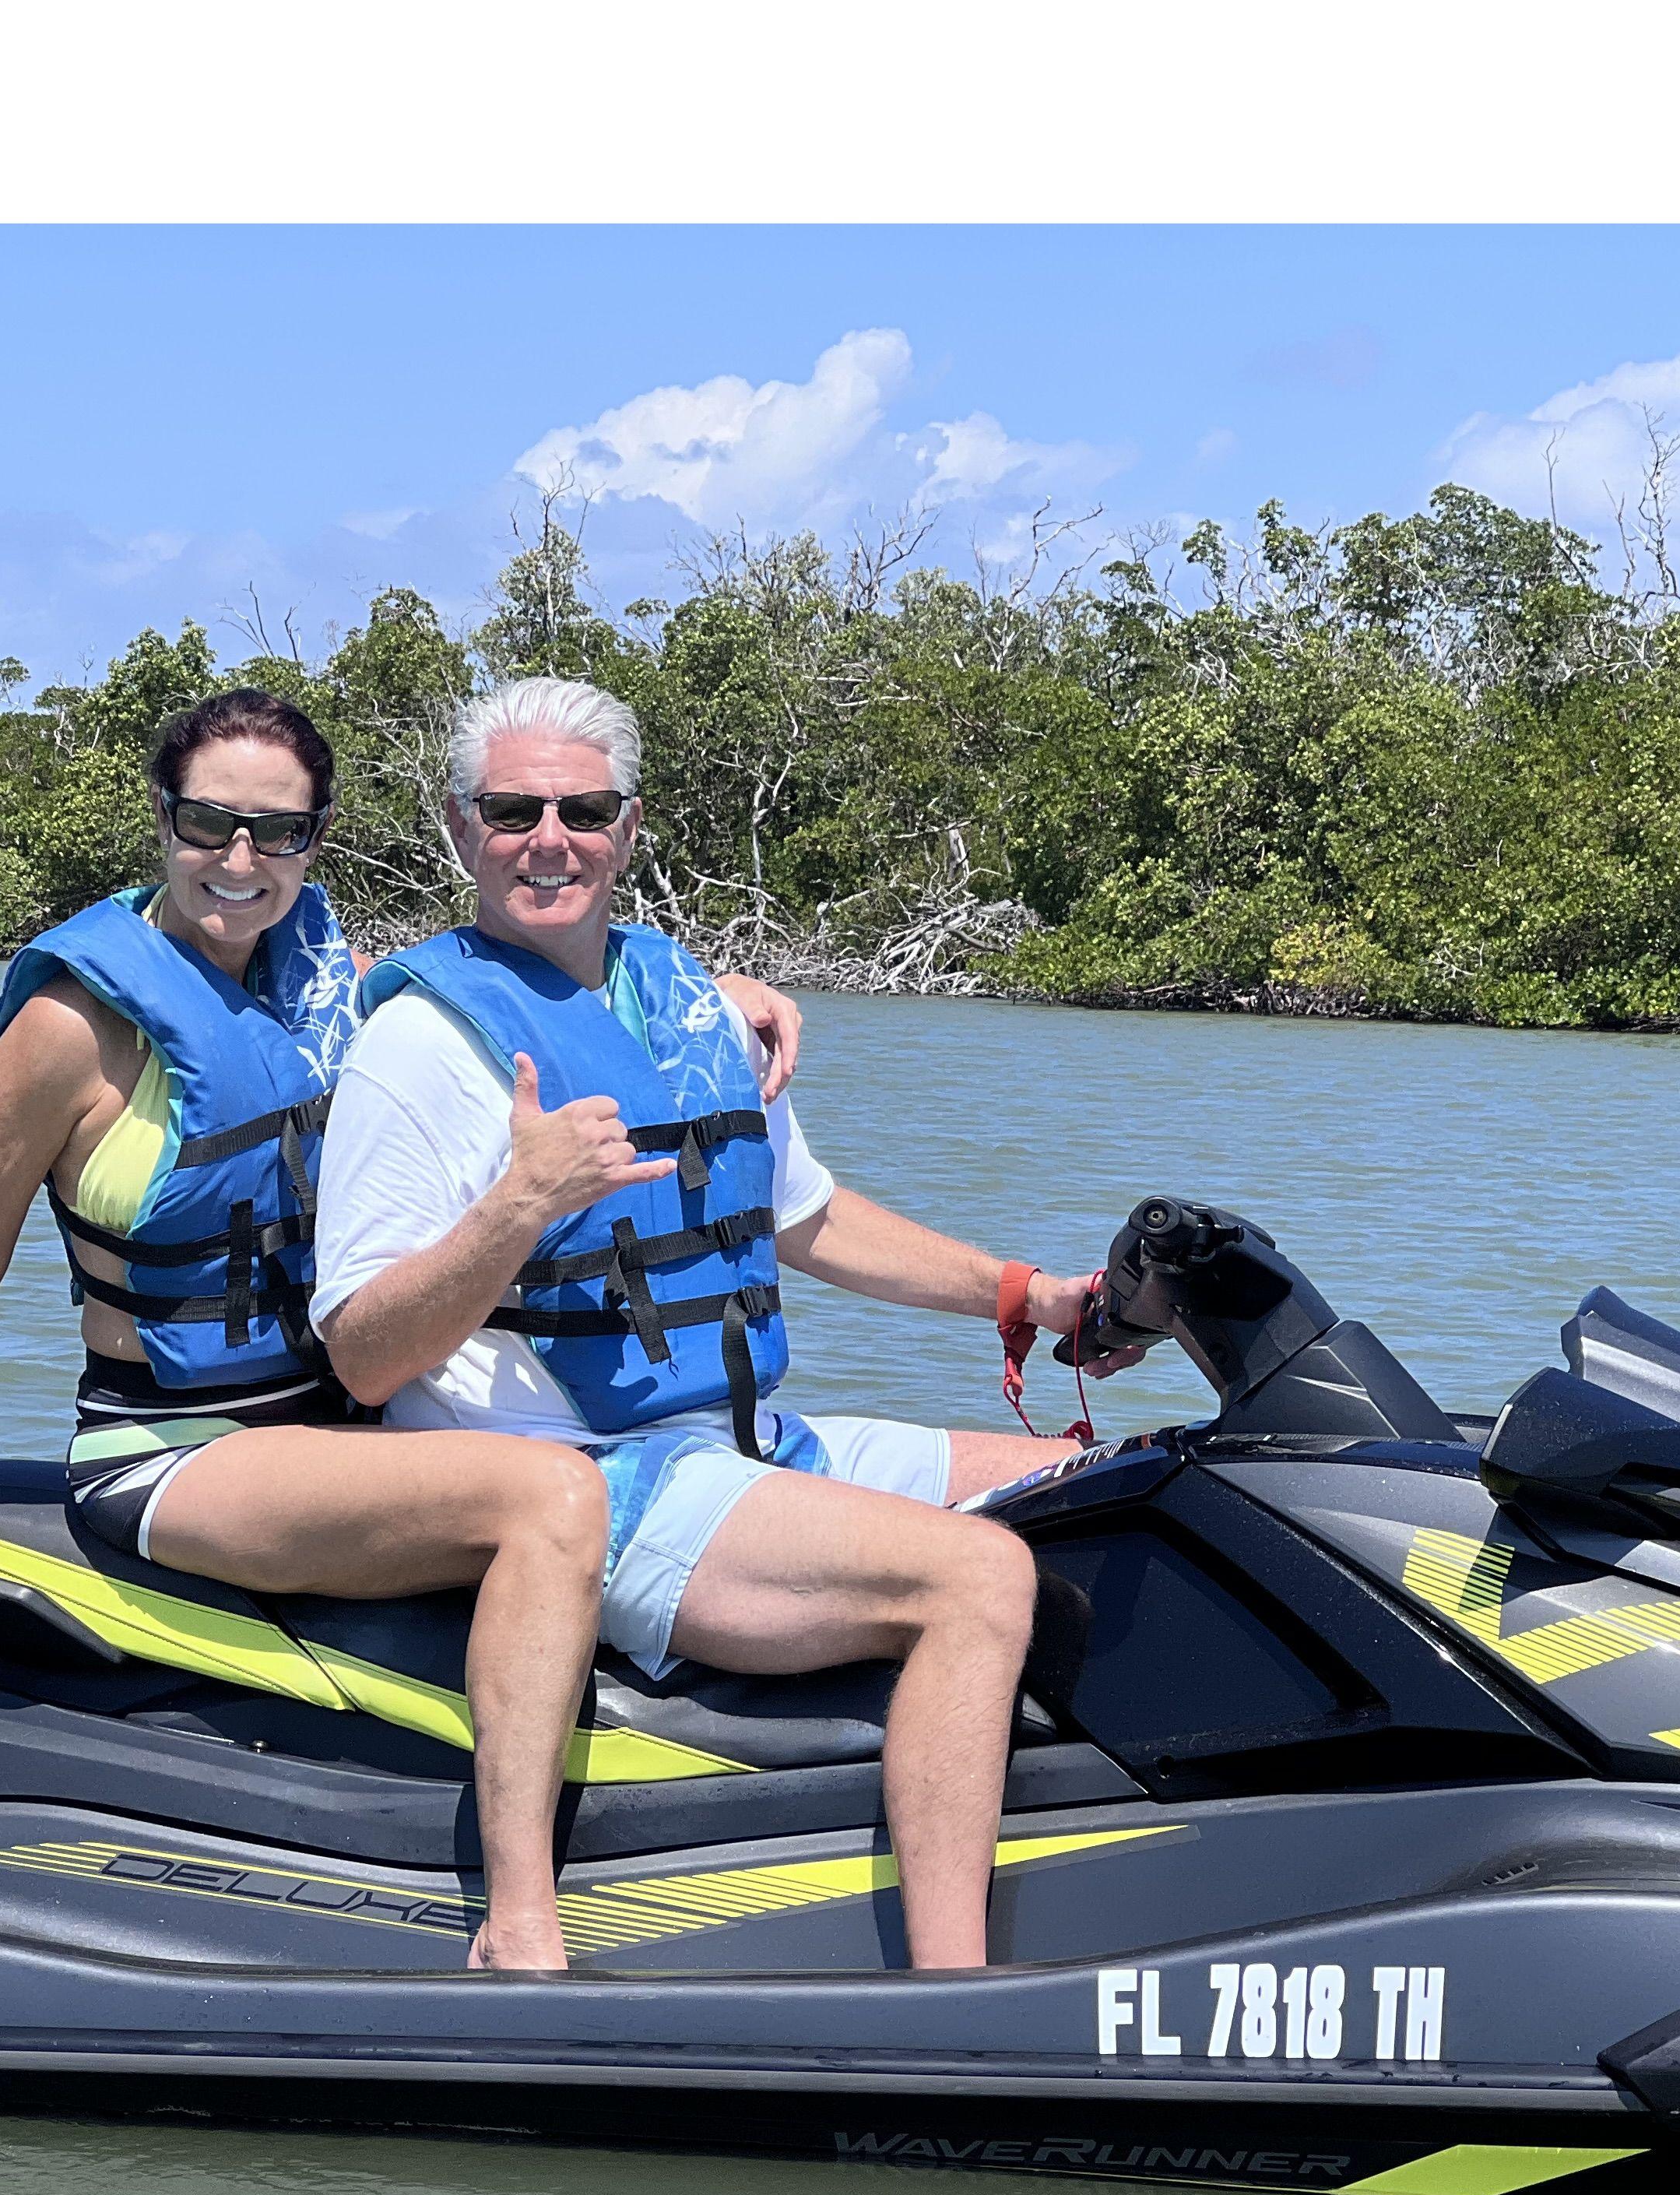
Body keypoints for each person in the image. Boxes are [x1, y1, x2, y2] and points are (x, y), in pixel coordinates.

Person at [0, 685, 809, 1975]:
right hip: (177, 1446)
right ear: (163, 819)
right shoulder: (71, 1027)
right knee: (548, 1495)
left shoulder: (320, 982)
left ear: (316, 841)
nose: (240, 862)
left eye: (279, 833)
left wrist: (708, 990)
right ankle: (522, 1929)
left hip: (337, 1430)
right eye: (210, 825)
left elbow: (513, 969)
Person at [311, 675, 1137, 1976]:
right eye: (514, 810)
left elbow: (806, 1219)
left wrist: (1026, 1294)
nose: (549, 839)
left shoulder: (687, 1000)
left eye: (583, 811)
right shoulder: (418, 1046)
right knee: (978, 1576)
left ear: (630, 828)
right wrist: (522, 1207)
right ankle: (953, 1999)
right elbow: (363, 1352)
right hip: (594, 1485)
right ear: (464, 829)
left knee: (1108, 1487)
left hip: (748, 1442)